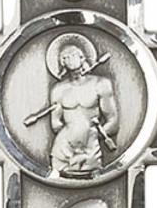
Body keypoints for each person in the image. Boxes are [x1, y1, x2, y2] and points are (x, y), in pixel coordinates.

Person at [50, 44, 118, 172]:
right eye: (66, 57)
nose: (71, 59)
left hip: (90, 147)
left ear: (83, 59)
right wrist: (73, 135)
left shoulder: (100, 84)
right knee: (60, 180)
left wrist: (92, 134)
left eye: (75, 56)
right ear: (62, 63)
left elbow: (113, 122)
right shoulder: (59, 90)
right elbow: (55, 124)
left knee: (94, 179)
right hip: (64, 148)